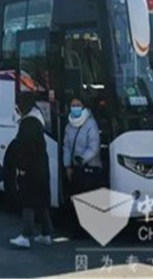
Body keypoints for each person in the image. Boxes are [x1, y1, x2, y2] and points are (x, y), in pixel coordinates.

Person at [9, 95, 53, 249]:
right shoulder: (36, 121)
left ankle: (26, 235)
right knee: (41, 201)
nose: (17, 110)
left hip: (31, 170)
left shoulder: (28, 124)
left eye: (18, 107)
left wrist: (21, 168)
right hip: (41, 168)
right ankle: (46, 233)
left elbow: (25, 149)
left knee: (28, 201)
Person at [63, 97, 103, 233]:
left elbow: (94, 147)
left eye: (78, 105)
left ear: (83, 106)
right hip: (76, 169)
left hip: (89, 167)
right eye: (73, 105)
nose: (75, 108)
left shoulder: (91, 124)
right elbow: (67, 147)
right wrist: (67, 165)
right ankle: (78, 229)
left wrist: (81, 160)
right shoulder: (69, 125)